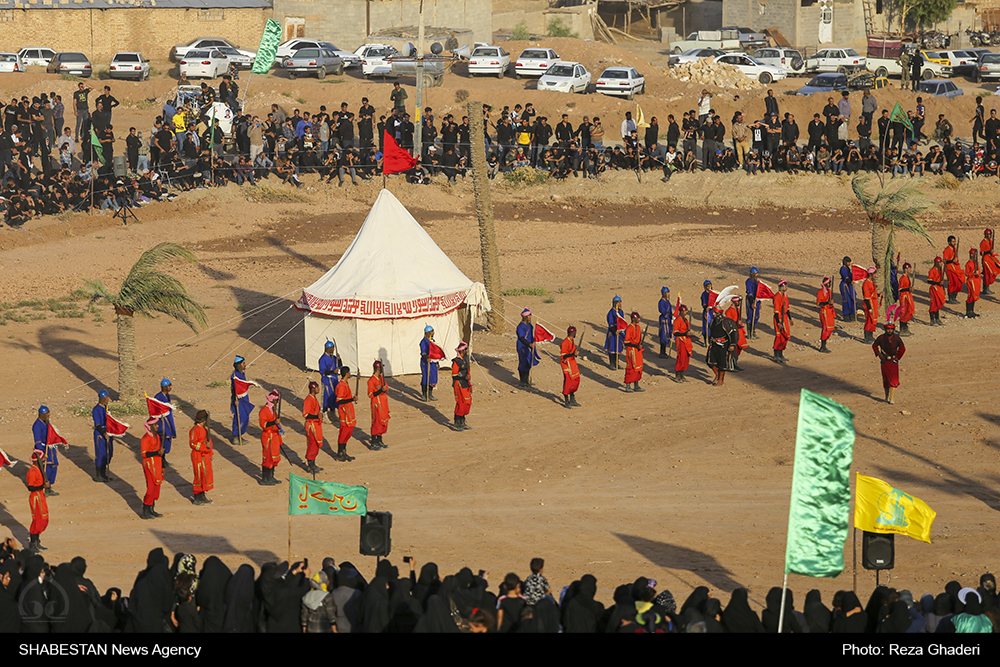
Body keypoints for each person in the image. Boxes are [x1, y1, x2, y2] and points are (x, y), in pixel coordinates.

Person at [873, 317, 905, 404]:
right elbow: (874, 346)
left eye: (891, 329)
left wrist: (897, 357)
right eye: (888, 329)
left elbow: (902, 349)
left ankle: (892, 398)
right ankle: (886, 397)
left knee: (894, 379)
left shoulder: (897, 338)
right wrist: (879, 354)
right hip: (884, 361)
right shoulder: (881, 338)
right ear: (885, 329)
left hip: (893, 361)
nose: (889, 331)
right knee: (886, 379)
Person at [32, 405, 62, 495]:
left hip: (50, 449)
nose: (49, 415)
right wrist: (43, 453)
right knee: (45, 469)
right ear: (42, 414)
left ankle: (49, 487)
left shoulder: (47, 422)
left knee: (53, 467)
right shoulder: (37, 425)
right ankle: (43, 489)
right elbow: (38, 441)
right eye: (47, 413)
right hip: (43, 449)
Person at [706, 304, 738, 386]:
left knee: (722, 363)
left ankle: (721, 380)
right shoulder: (713, 321)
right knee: (710, 361)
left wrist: (732, 344)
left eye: (715, 313)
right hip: (714, 344)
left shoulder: (725, 322)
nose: (713, 314)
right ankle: (717, 375)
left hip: (723, 345)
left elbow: (732, 334)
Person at [140, 416, 164, 520]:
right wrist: (157, 452)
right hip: (149, 465)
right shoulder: (145, 438)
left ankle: (151, 509)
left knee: (156, 487)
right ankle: (145, 510)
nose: (157, 426)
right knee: (150, 487)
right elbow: (144, 454)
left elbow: (160, 453)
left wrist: (162, 466)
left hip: (157, 464)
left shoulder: (157, 436)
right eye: (155, 425)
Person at [189, 409, 214, 505]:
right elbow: (192, 443)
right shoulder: (195, 430)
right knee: (199, 475)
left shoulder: (204, 429)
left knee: (205, 475)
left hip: (205, 455)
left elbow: (208, 441)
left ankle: (202, 496)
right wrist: (204, 447)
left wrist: (210, 453)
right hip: (198, 456)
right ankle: (197, 497)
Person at [258, 389, 283, 485]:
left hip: (274, 436)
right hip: (267, 437)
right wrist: (274, 422)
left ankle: (271, 477)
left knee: (274, 457)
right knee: (267, 457)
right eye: (276, 400)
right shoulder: (264, 410)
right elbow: (263, 424)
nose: (277, 402)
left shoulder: (273, 410)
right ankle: (264, 479)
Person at [26, 450, 49, 552]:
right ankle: (33, 544)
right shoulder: (32, 471)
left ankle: (37, 542)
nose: (44, 459)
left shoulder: (38, 469)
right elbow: (30, 487)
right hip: (35, 497)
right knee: (37, 520)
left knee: (43, 519)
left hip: (40, 496)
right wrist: (43, 486)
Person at [334, 366, 357, 462]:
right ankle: (340, 453)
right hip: (344, 412)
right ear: (347, 374)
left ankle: (344, 452)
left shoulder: (345, 384)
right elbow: (339, 400)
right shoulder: (341, 386)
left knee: (348, 432)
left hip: (348, 411)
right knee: (344, 432)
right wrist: (351, 399)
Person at [230, 356, 255, 443]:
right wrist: (235, 400)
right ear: (239, 365)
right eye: (243, 363)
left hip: (244, 398)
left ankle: (240, 435)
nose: (245, 365)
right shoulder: (235, 376)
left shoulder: (242, 374)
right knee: (239, 417)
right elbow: (234, 389)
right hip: (238, 399)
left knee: (245, 416)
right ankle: (236, 436)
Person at [367, 360, 390, 451]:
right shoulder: (371, 380)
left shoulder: (381, 378)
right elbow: (370, 394)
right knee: (376, 422)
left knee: (383, 422)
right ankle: (373, 442)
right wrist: (380, 390)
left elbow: (386, 388)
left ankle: (379, 440)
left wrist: (384, 389)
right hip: (376, 404)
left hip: (383, 403)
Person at [302, 381, 324, 474]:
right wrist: (316, 417)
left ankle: (313, 464)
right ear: (313, 389)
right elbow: (306, 415)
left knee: (316, 445)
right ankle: (310, 465)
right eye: (317, 387)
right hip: (311, 425)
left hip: (316, 424)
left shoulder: (314, 398)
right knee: (312, 444)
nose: (318, 389)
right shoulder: (308, 400)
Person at [154, 378, 177, 468]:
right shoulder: (158, 397)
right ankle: (160, 461)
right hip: (161, 422)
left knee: (167, 440)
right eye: (169, 386)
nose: (170, 387)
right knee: (162, 440)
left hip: (168, 421)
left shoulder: (168, 396)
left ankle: (163, 459)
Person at [92, 389, 113, 482]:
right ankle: (98, 475)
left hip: (108, 433)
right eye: (107, 397)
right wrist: (103, 433)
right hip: (100, 434)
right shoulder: (96, 409)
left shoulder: (106, 408)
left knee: (108, 453)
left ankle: (103, 473)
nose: (108, 398)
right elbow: (98, 424)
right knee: (100, 454)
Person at [318, 341, 341, 421]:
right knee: (327, 397)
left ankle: (332, 413)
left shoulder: (333, 357)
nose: (333, 349)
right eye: (332, 348)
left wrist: (339, 359)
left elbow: (339, 366)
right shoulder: (322, 359)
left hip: (334, 380)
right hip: (327, 380)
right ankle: (324, 414)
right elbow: (322, 371)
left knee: (334, 396)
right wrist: (332, 372)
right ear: (328, 348)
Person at [452, 342, 473, 431]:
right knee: (461, 403)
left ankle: (462, 422)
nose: (467, 351)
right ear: (462, 351)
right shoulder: (456, 362)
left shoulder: (465, 360)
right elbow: (454, 375)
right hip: (459, 384)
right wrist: (464, 377)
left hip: (465, 384)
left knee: (467, 402)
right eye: (465, 350)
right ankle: (457, 423)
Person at [516, 308, 539, 387]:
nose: (530, 317)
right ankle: (522, 381)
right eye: (529, 315)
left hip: (529, 345)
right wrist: (529, 344)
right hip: (522, 346)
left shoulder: (529, 325)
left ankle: (527, 380)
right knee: (523, 362)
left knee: (529, 362)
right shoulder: (521, 326)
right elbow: (521, 338)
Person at [560, 326, 581, 408]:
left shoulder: (572, 340)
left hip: (572, 363)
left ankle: (572, 399)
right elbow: (563, 356)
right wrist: (573, 354)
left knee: (575, 381)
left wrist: (575, 353)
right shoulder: (565, 342)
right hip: (567, 364)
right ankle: (566, 401)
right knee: (568, 382)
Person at [623, 311, 645, 392]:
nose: (639, 319)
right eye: (637, 318)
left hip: (637, 351)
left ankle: (636, 385)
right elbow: (626, 342)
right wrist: (636, 346)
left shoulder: (638, 327)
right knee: (631, 367)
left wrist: (639, 345)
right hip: (631, 350)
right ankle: (628, 385)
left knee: (639, 367)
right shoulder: (629, 328)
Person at [725, 296, 748, 370]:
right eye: (737, 301)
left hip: (739, 331)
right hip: (733, 332)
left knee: (739, 347)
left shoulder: (738, 310)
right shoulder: (729, 311)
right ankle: (730, 365)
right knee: (733, 348)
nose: (739, 303)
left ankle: (735, 363)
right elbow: (728, 323)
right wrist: (735, 323)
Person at [419, 326, 440, 402]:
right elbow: (423, 351)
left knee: (432, 378)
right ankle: (424, 395)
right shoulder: (423, 342)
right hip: (426, 362)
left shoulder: (432, 341)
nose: (433, 333)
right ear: (429, 333)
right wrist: (426, 358)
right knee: (425, 377)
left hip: (433, 362)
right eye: (432, 332)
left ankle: (430, 394)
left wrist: (437, 362)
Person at [772, 280, 792, 363]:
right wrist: (778, 323)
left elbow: (787, 308)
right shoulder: (777, 296)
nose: (787, 287)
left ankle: (781, 354)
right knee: (779, 336)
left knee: (784, 336)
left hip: (785, 318)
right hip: (779, 318)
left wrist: (790, 319)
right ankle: (776, 355)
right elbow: (776, 311)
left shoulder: (785, 295)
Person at [943, 236, 966, 304]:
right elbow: (945, 261)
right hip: (949, 268)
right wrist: (952, 261)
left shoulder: (955, 249)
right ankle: (950, 298)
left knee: (958, 282)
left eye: (955, 241)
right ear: (949, 242)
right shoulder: (947, 250)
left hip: (955, 267)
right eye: (953, 241)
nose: (954, 243)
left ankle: (954, 298)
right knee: (952, 283)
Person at [673, 305, 693, 382]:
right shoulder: (678, 320)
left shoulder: (685, 319)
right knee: (681, 357)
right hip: (680, 340)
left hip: (686, 340)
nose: (686, 312)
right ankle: (678, 376)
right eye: (685, 311)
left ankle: (682, 375)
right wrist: (685, 334)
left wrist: (688, 333)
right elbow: (675, 333)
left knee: (686, 357)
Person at [817, 276, 836, 353]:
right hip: (824, 312)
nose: (830, 284)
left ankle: (824, 345)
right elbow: (819, 303)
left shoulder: (829, 291)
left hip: (829, 312)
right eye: (829, 283)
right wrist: (828, 302)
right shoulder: (820, 292)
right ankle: (822, 346)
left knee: (830, 328)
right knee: (825, 328)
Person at [605, 296, 625, 368]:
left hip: (619, 332)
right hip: (613, 333)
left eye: (620, 302)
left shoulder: (621, 312)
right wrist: (614, 330)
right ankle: (612, 364)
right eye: (618, 302)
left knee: (618, 348)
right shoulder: (611, 313)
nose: (619, 303)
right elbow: (610, 323)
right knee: (612, 348)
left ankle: (617, 364)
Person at [861, 266, 879, 343]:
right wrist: (869, 308)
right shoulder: (866, 283)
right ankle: (867, 337)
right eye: (874, 274)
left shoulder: (872, 282)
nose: (875, 275)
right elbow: (866, 297)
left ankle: (870, 335)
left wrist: (879, 295)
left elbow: (873, 294)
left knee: (873, 320)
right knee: (869, 319)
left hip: (873, 303)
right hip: (869, 304)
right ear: (871, 274)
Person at [928, 256, 946, 326]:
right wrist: (938, 283)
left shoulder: (940, 269)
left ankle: (937, 319)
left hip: (939, 288)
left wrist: (942, 287)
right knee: (934, 304)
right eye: (940, 262)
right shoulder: (932, 270)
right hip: (934, 289)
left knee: (938, 303)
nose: (941, 263)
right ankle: (932, 320)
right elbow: (929, 280)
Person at [898, 261, 915, 336]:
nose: (911, 270)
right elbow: (900, 289)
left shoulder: (907, 277)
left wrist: (910, 289)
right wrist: (908, 289)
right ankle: (902, 330)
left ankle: (906, 328)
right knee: (904, 312)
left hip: (907, 295)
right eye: (910, 268)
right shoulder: (902, 278)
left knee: (908, 310)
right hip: (904, 296)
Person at [980, 228, 999, 295]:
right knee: (987, 274)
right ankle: (985, 289)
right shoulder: (983, 242)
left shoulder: (990, 241)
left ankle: (987, 288)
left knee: (995, 269)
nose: (989, 236)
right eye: (988, 234)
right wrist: (989, 251)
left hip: (990, 258)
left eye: (990, 234)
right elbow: (982, 253)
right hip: (986, 260)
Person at [839, 256, 857, 321]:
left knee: (852, 298)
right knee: (846, 299)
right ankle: (846, 314)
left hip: (849, 285)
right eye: (848, 262)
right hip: (845, 285)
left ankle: (852, 313)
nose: (849, 263)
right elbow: (846, 277)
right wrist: (850, 281)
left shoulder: (848, 269)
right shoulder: (843, 269)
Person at [745, 267, 761, 339]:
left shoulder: (756, 282)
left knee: (756, 316)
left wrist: (759, 303)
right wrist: (752, 303)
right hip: (750, 300)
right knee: (750, 315)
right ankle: (749, 333)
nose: (757, 275)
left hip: (756, 300)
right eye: (756, 273)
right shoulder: (749, 281)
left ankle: (753, 332)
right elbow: (750, 293)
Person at [966, 248, 982, 318]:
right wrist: (973, 273)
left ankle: (972, 311)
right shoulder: (968, 263)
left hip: (976, 281)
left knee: (974, 296)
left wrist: (978, 274)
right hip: (971, 281)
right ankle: (968, 311)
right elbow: (966, 273)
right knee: (970, 296)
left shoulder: (976, 263)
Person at [657, 287, 673, 358]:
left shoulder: (667, 301)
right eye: (667, 293)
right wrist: (667, 314)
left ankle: (664, 352)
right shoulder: (661, 302)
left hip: (668, 320)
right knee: (663, 335)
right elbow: (662, 310)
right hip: (664, 320)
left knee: (667, 334)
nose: (668, 294)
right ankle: (662, 353)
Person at [700, 280, 713, 346]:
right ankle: (706, 341)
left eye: (709, 285)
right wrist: (706, 306)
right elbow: (703, 303)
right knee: (706, 327)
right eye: (707, 286)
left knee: (713, 326)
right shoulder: (704, 294)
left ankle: (711, 341)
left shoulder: (713, 293)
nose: (709, 287)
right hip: (707, 311)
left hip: (712, 311)